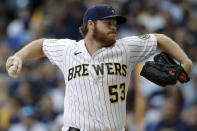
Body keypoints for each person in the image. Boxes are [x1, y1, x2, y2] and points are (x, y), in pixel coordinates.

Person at [6, 4, 193, 131]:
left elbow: (159, 39)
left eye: (115, 24)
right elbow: (41, 45)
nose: (114, 28)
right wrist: (19, 56)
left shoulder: (125, 48)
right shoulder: (69, 49)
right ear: (91, 25)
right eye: (108, 23)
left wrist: (186, 62)